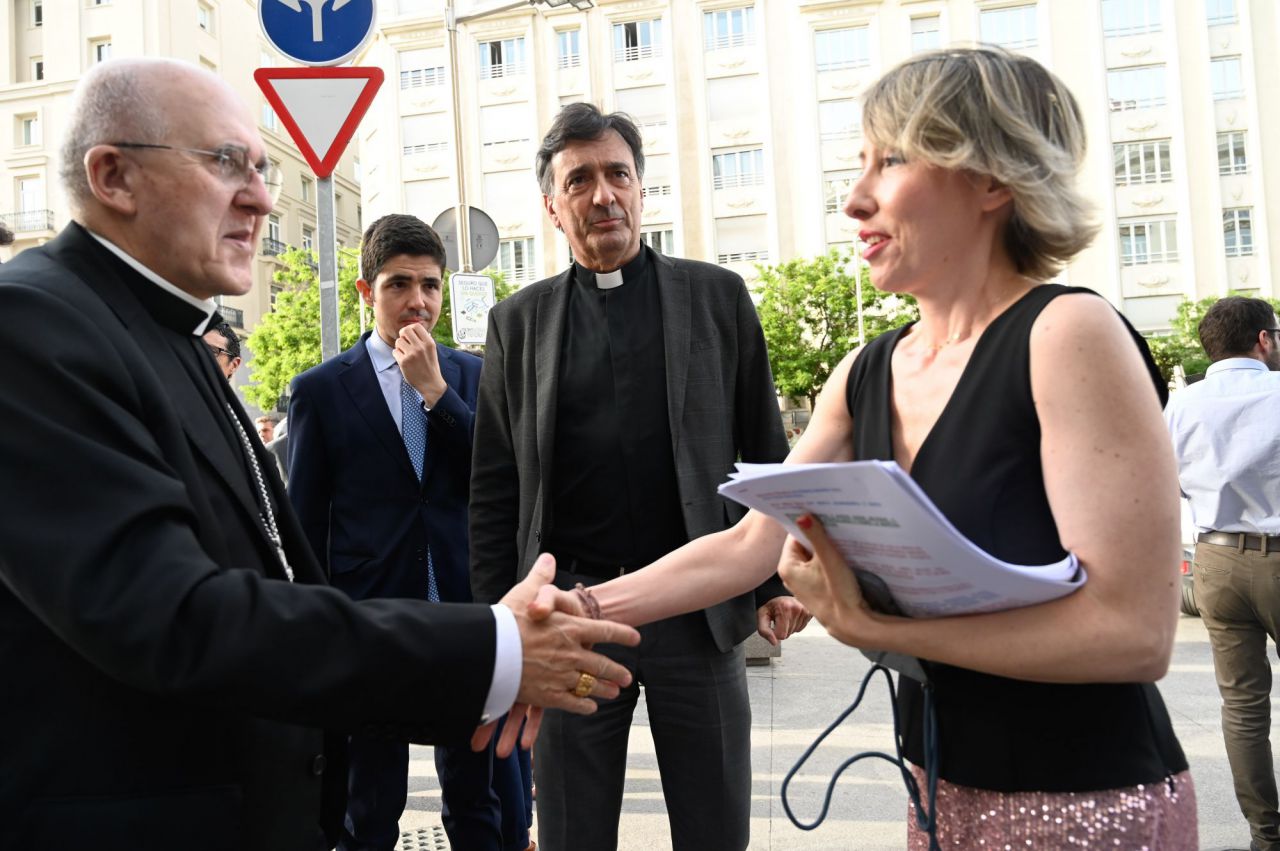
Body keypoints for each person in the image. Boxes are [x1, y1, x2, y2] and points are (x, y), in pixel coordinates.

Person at [528, 48, 1197, 849]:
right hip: (940, 787)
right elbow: (746, 543)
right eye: (860, 164)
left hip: (1087, 800)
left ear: (992, 179)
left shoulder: (1069, 334)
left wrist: (879, 627)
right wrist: (577, 611)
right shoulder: (867, 370)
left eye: (892, 161)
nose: (854, 199)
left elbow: (1135, 633)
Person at [0, 57, 639, 851]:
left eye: (260, 168)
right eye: (225, 162)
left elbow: (272, 561)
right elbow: (173, 613)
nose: (262, 198)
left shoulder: (164, 326)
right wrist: (493, 647)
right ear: (114, 176)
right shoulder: (32, 325)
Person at [469, 102, 810, 851]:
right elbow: (494, 487)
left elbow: (763, 448)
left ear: (641, 189)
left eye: (618, 174)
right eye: (579, 180)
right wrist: (500, 627)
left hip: (699, 614)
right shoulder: (518, 324)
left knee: (715, 830)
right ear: (552, 207)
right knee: (572, 831)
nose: (603, 195)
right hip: (572, 622)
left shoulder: (717, 298)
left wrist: (775, 581)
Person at [288, 213, 532, 851]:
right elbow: (305, 520)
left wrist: (436, 393)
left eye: (429, 284)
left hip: (466, 609)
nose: (417, 300)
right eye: (399, 284)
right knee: (367, 805)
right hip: (370, 619)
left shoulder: (474, 376)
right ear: (367, 291)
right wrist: (313, 623)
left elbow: (499, 480)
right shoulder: (321, 390)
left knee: (479, 798)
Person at [1165, 295, 1280, 851]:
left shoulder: (1179, 406)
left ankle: (1266, 834)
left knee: (1242, 707)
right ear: (1263, 339)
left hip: (1216, 559)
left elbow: (1169, 483)